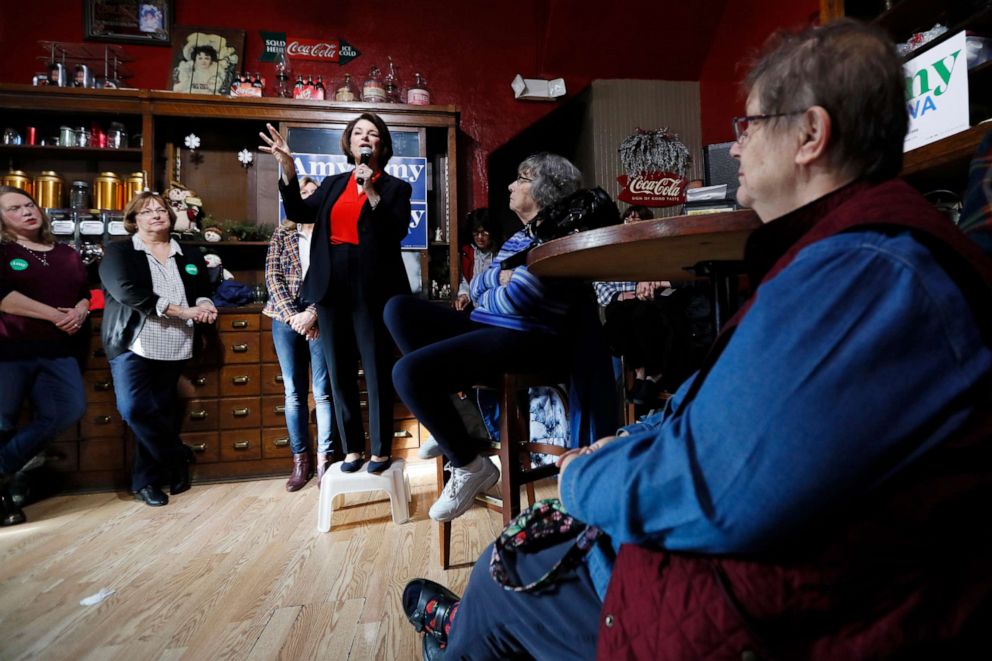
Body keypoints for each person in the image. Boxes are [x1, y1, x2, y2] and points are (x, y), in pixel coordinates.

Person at [402, 19, 992, 658]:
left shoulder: (865, 277)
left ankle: (461, 634)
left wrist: (581, 477)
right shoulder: (858, 258)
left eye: (752, 125)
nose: (735, 147)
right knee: (511, 571)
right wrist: (631, 438)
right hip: (768, 573)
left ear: (811, 136)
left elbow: (710, 489)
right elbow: (747, 423)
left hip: (745, 608)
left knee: (500, 578)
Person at [384, 153, 613, 522]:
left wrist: (495, 285)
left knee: (406, 374)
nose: (511, 185)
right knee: (398, 309)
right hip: (493, 325)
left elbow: (520, 297)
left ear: (543, 189)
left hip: (529, 340)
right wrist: (497, 280)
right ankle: (461, 416)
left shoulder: (555, 234)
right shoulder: (519, 238)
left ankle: (470, 464)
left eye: (521, 179)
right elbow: (479, 287)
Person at [259, 113, 412, 474]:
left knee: (375, 369)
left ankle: (380, 451)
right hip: (330, 287)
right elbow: (297, 210)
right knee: (339, 370)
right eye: (358, 132)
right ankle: (352, 450)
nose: (364, 137)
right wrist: (288, 169)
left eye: (372, 134)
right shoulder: (331, 184)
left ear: (381, 145)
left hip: (373, 287)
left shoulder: (395, 188)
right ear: (349, 142)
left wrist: (370, 189)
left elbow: (395, 232)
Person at [100, 191, 217, 507]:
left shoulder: (188, 254)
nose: (156, 214)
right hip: (132, 342)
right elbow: (127, 292)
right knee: (134, 409)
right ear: (134, 219)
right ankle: (176, 457)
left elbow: (202, 291)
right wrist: (182, 310)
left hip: (175, 343)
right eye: (146, 210)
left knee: (160, 412)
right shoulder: (119, 252)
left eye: (161, 209)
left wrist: (205, 306)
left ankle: (146, 482)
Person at [0, 186, 88, 526]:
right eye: (14, 209)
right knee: (3, 421)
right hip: (10, 350)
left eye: (29, 204)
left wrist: (80, 311)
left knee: (68, 409)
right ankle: (6, 497)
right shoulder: (3, 251)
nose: (26, 211)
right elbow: (4, 298)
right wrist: (56, 316)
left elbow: (87, 292)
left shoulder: (66, 252)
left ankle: (4, 466)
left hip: (58, 350)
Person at [263, 175, 339, 491]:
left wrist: (313, 314)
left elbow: (337, 279)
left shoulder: (330, 234)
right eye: (302, 192)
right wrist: (294, 316)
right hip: (284, 316)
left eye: (312, 193)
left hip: (319, 315)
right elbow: (272, 275)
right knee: (293, 392)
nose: (307, 196)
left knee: (322, 392)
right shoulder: (283, 234)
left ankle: (325, 460)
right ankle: (300, 460)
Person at [593, 205, 693, 409]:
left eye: (638, 220)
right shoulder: (612, 251)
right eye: (628, 219)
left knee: (642, 314)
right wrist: (621, 294)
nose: (632, 221)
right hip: (626, 303)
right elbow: (600, 288)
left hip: (654, 303)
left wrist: (650, 285)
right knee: (614, 316)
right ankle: (640, 371)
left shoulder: (656, 246)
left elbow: (667, 277)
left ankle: (653, 374)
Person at [453, 208, 497, 311]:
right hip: (475, 309)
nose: (480, 237)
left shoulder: (500, 253)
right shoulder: (467, 252)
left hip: (494, 308)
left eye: (484, 233)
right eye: (476, 233)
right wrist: (464, 295)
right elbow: (465, 282)